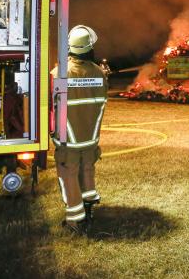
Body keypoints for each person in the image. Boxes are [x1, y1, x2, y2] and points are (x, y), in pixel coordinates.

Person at [51, 25, 108, 235]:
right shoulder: (100, 73)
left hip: (69, 141)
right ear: (89, 47)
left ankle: (75, 221)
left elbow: (49, 106)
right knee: (87, 173)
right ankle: (89, 207)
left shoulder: (59, 73)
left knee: (69, 177)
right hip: (90, 140)